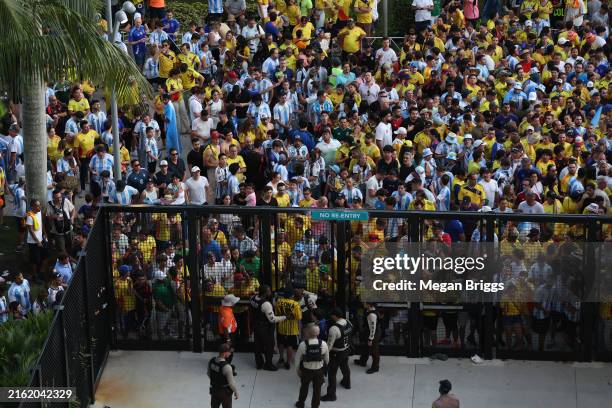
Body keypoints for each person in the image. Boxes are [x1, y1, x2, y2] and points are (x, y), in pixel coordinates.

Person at [249, 284, 286, 370]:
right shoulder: (266, 304)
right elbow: (272, 319)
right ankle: (268, 364)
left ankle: (259, 363)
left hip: (256, 325)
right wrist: (284, 317)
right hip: (264, 327)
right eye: (269, 291)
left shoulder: (253, 298)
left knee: (257, 345)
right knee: (269, 345)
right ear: (265, 293)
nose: (270, 292)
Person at [322, 307, 352, 401]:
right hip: (346, 349)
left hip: (336, 353)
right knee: (345, 367)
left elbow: (329, 346)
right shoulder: (348, 322)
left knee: (332, 373)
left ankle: (331, 395)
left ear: (335, 316)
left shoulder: (334, 329)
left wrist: (323, 355)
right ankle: (347, 383)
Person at [295, 324, 329, 408]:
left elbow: (297, 360)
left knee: (304, 387)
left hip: (306, 371)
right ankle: (315, 406)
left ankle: (301, 403)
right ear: (318, 333)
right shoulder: (324, 344)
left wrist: (298, 370)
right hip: (319, 371)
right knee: (317, 390)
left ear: (307, 333)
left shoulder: (303, 345)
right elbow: (327, 359)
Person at [208, 342, 239, 408]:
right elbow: (231, 383)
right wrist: (236, 392)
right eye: (229, 352)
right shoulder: (227, 367)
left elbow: (209, 374)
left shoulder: (211, 361)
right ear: (225, 353)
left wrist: (216, 381)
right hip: (224, 393)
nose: (230, 353)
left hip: (214, 390)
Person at [354, 301, 380, 373]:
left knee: (374, 351)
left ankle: (375, 367)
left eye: (365, 303)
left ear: (369, 304)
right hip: (367, 332)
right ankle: (363, 361)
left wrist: (370, 339)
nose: (363, 304)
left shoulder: (372, 315)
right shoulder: (369, 310)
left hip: (373, 334)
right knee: (365, 348)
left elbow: (373, 328)